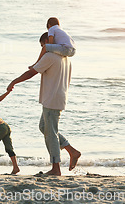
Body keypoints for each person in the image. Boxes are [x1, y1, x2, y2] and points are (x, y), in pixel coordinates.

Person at [8, 32, 81, 176]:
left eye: (43, 45)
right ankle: (72, 151)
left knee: (51, 133)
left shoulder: (50, 56)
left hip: (52, 99)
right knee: (44, 127)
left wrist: (13, 81)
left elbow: (31, 73)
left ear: (49, 41)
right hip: (58, 97)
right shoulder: (65, 57)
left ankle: (56, 168)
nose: (43, 49)